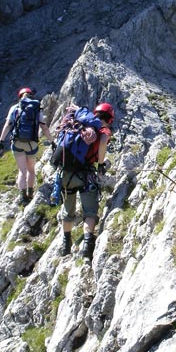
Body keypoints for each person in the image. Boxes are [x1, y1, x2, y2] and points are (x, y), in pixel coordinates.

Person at [58, 102, 114, 260]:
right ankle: (87, 250)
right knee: (89, 212)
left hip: (66, 175)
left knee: (67, 212)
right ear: (110, 118)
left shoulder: (80, 124)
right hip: (85, 176)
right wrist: (101, 163)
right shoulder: (102, 130)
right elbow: (103, 141)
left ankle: (66, 246)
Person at [0, 87, 54, 205]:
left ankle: (23, 197)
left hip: (17, 142)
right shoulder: (36, 108)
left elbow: (8, 125)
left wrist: (1, 140)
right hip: (32, 143)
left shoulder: (15, 108)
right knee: (31, 170)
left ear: (20, 97)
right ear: (31, 96)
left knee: (22, 171)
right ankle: (30, 192)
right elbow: (44, 127)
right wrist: (52, 141)